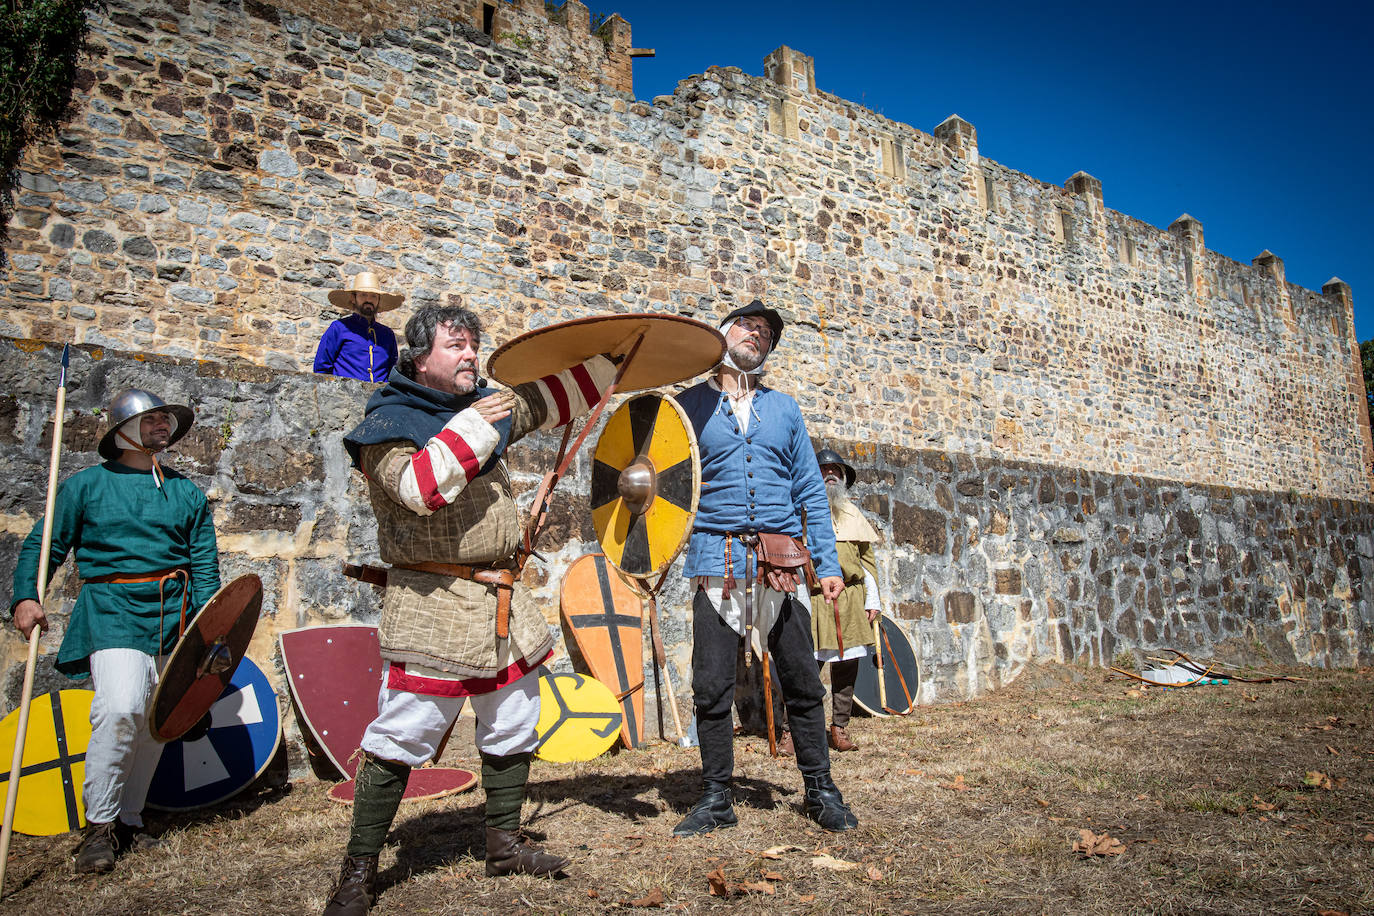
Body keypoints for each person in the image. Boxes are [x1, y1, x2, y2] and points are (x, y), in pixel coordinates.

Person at [323, 304, 617, 915]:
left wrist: (613, 362)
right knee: (404, 733)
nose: (470, 356)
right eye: (457, 345)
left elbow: (542, 400)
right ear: (420, 355)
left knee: (513, 717)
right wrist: (476, 425)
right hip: (432, 600)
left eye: (475, 346)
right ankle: (358, 872)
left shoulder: (479, 408)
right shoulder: (389, 420)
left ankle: (503, 844)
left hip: (500, 599)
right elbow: (418, 491)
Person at [10, 389, 221, 874]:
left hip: (174, 614)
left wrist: (206, 629)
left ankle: (129, 818)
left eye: (166, 420)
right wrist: (27, 596)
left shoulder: (185, 491)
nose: (162, 427)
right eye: (151, 421)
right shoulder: (86, 486)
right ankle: (99, 826)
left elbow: (205, 567)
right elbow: (45, 543)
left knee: (156, 722)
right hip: (112, 609)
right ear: (122, 430)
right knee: (121, 707)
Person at [671, 299, 858, 837]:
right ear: (722, 334)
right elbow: (662, 482)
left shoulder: (786, 410)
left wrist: (825, 563)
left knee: (802, 680)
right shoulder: (685, 408)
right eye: (748, 326)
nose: (758, 336)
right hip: (716, 557)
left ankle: (821, 788)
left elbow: (810, 494)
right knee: (711, 685)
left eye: (767, 335)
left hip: (783, 562)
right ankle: (716, 796)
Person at [807, 448, 881, 751]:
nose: (831, 475)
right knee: (804, 667)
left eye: (836, 470)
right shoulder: (803, 512)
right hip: (814, 599)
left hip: (850, 598)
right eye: (825, 470)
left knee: (847, 668)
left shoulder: (854, 515)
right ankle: (792, 730)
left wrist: (872, 599)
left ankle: (839, 728)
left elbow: (868, 562)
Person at [314, 271, 402, 382]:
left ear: (378, 300)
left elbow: (392, 371)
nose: (369, 300)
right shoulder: (339, 328)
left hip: (379, 396)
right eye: (363, 295)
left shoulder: (387, 334)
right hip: (345, 395)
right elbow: (321, 369)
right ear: (353, 298)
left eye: (374, 296)